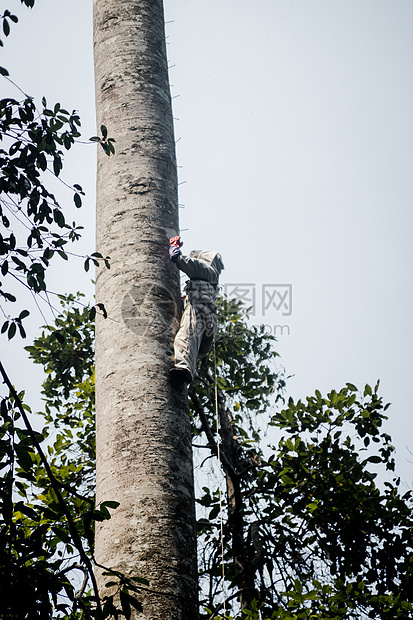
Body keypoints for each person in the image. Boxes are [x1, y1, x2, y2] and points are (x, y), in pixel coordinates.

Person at [169, 236, 224, 385]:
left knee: (185, 337)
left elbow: (178, 258)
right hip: (209, 321)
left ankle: (183, 368)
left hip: (199, 310)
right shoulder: (212, 282)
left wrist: (174, 246)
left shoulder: (205, 269)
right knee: (192, 341)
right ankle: (188, 368)